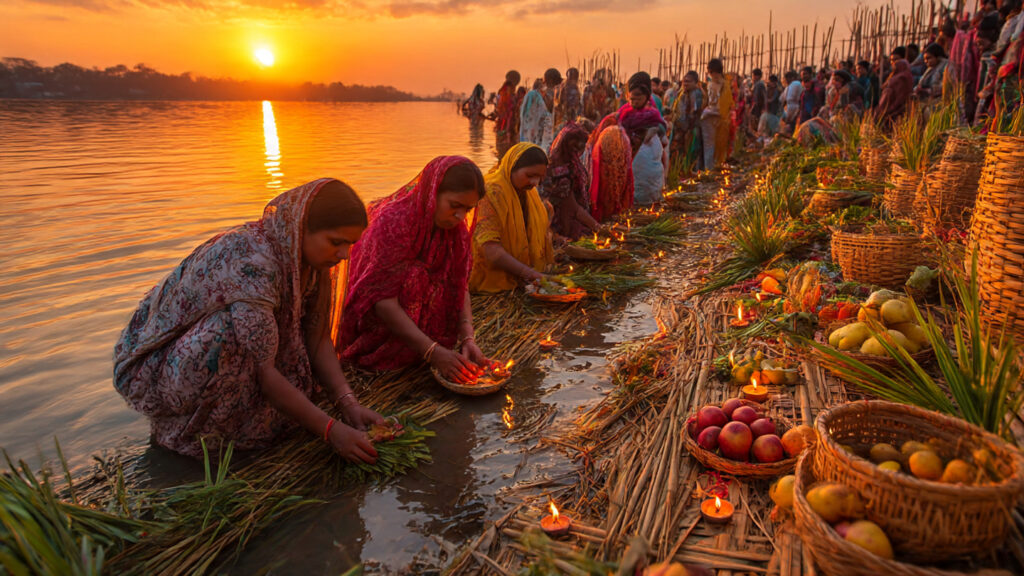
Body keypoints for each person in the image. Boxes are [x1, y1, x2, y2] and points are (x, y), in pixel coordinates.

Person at [113, 179, 383, 461]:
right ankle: (198, 436)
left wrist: (348, 404)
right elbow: (264, 373)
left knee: (262, 343)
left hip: (240, 362)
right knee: (228, 334)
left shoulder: (309, 262)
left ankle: (248, 428)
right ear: (302, 227)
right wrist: (331, 431)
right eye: (336, 242)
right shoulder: (253, 262)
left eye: (350, 244)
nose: (344, 255)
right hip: (165, 371)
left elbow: (318, 338)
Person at [338, 157, 493, 385]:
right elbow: (381, 300)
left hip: (431, 337)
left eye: (468, 209)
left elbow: (460, 286)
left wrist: (468, 338)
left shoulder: (456, 233)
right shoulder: (393, 223)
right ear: (432, 193)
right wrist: (432, 351)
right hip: (381, 334)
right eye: (454, 205)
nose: (460, 216)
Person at [470, 143, 555, 292]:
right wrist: (529, 273)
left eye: (540, 177)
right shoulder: (492, 193)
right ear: (511, 168)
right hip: (492, 279)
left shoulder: (528, 193)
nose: (535, 183)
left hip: (522, 274)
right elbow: (490, 250)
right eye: (530, 176)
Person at [540, 122, 599, 241]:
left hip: (568, 217)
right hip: (560, 223)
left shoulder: (567, 162)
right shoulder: (560, 170)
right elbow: (572, 208)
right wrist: (597, 227)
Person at [588, 117, 634, 221]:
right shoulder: (623, 135)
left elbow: (597, 161)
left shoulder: (603, 136)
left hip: (606, 171)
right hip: (620, 171)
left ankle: (604, 218)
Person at [617, 71, 667, 155]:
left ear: (647, 96)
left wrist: (654, 130)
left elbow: (662, 128)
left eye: (639, 98)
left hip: (648, 155)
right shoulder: (625, 110)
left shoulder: (652, 111)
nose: (635, 102)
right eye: (632, 99)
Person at [670, 70, 704, 170]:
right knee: (679, 152)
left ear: (696, 82)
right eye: (684, 81)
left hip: (691, 128)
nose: (685, 83)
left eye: (688, 81)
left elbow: (693, 112)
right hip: (681, 128)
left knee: (692, 151)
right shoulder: (682, 93)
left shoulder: (696, 94)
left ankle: (691, 171)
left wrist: (687, 128)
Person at [700, 58, 730, 170]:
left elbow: (713, 102)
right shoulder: (726, 84)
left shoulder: (713, 84)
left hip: (711, 116)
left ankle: (710, 170)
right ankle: (714, 168)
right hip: (720, 117)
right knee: (717, 145)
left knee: (710, 145)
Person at [876, 59, 914, 125]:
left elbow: (900, 96)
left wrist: (891, 108)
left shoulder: (902, 78)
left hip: (893, 106)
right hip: (891, 105)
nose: (893, 67)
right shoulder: (900, 76)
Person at [494, 70, 522, 158]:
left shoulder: (500, 95)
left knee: (502, 155)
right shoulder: (513, 97)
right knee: (510, 155)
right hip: (509, 130)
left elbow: (497, 112)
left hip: (502, 129)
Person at [520, 79, 553, 150]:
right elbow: (543, 114)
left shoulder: (529, 95)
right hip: (535, 130)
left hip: (527, 129)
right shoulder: (537, 96)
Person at [553, 67, 583, 136]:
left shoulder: (575, 88)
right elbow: (560, 102)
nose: (573, 79)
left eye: (575, 77)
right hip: (565, 116)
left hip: (573, 115)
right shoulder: (563, 87)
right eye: (572, 76)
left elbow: (578, 102)